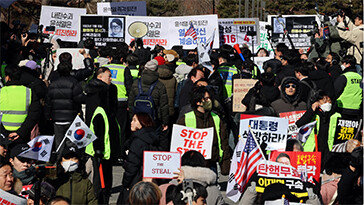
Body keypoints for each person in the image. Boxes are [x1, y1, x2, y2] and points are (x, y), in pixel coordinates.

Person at [177, 86, 231, 175]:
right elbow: (178, 144)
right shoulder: (185, 119)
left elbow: (224, 142)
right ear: (198, 102)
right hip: (192, 165)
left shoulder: (216, 118)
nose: (209, 101)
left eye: (209, 98)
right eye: (206, 99)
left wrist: (225, 166)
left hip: (211, 163)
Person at [84, 67, 118, 204]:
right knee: (100, 173)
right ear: (99, 77)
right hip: (100, 139)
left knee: (99, 171)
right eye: (108, 76)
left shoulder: (101, 90)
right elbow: (100, 120)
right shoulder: (102, 93)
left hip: (96, 137)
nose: (111, 78)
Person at [45, 61, 84, 159]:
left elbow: (48, 102)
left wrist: (48, 115)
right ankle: (72, 164)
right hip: (72, 118)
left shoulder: (53, 84)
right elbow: (80, 99)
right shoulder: (74, 83)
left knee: (59, 144)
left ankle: (60, 164)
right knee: (72, 143)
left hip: (57, 119)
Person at [0, 66, 40, 143]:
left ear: (7, 77)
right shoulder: (29, 92)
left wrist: (3, 132)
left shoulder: (1, 92)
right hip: (23, 135)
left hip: (4, 134)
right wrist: (21, 132)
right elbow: (34, 114)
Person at [128, 59, 169, 131]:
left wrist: (132, 118)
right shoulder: (160, 85)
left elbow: (131, 102)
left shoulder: (136, 83)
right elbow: (164, 105)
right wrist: (165, 122)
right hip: (153, 119)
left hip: (138, 118)